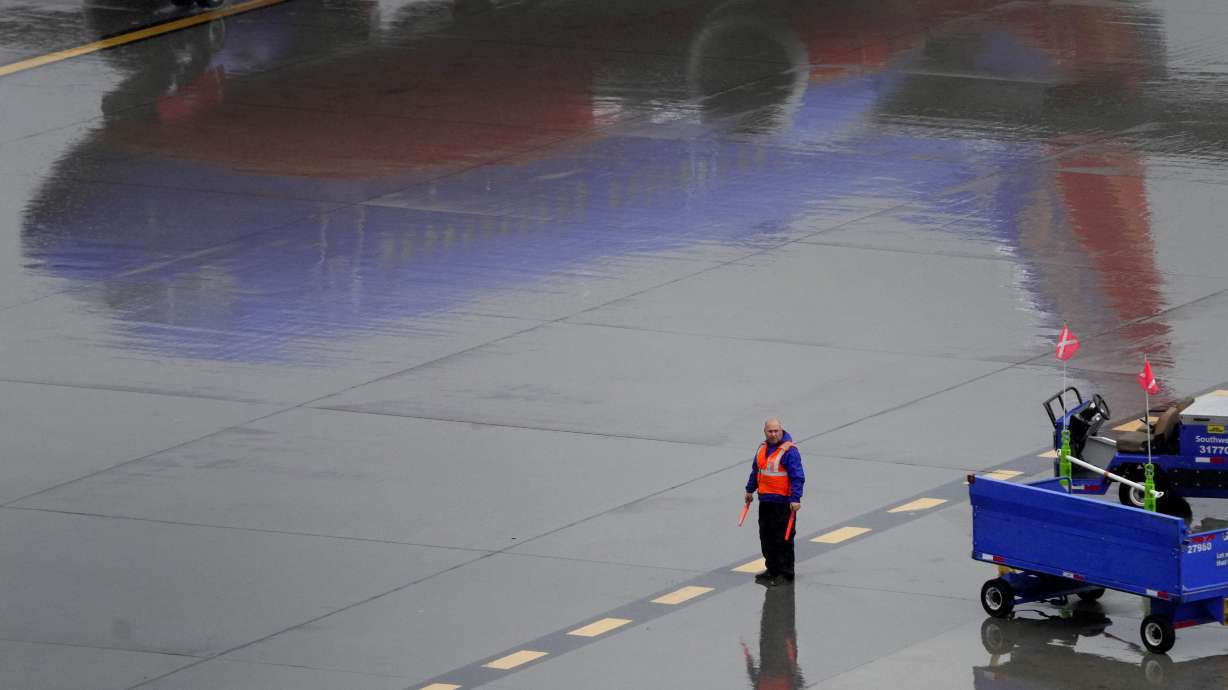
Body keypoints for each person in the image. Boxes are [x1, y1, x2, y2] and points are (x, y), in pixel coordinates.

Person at [744, 418, 804, 586]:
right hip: (766, 502)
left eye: (776, 431)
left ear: (781, 430)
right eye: (770, 431)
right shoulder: (762, 449)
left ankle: (785, 574)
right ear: (765, 432)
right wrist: (750, 490)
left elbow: (797, 477)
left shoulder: (789, 452)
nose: (773, 434)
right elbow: (757, 471)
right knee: (766, 537)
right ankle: (772, 569)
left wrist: (796, 498)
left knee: (783, 539)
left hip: (784, 504)